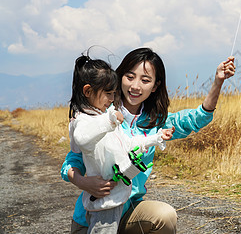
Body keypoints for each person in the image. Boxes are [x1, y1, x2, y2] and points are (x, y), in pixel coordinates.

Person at [61, 47, 235, 234]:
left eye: (145, 80)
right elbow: (73, 159)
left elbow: (196, 119)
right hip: (94, 216)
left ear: (155, 86)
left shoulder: (156, 122)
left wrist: (218, 82)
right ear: (119, 77)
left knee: (164, 216)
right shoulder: (102, 113)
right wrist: (81, 181)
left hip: (129, 212)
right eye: (129, 77)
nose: (135, 86)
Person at [68, 54, 175, 234]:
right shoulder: (84, 120)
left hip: (118, 202)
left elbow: (128, 143)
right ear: (88, 91)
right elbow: (81, 139)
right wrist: (82, 181)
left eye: (113, 93)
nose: (112, 98)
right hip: (103, 202)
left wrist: (156, 138)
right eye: (108, 93)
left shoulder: (105, 116)